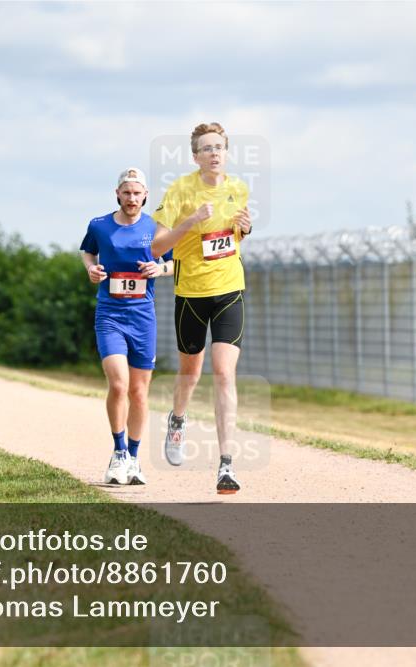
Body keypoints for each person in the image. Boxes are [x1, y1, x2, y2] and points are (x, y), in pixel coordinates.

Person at [150, 122, 253, 494]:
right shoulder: (180, 190)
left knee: (224, 373)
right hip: (191, 294)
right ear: (195, 156)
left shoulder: (238, 188)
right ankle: (178, 420)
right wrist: (191, 221)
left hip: (229, 289)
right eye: (206, 148)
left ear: (226, 153)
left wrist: (246, 228)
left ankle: (226, 464)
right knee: (190, 373)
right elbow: (157, 247)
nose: (214, 153)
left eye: (219, 147)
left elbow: (233, 237)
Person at [81, 167, 173, 486]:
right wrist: (91, 269)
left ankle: (133, 458)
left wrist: (159, 269)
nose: (132, 198)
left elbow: (174, 262)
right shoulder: (99, 225)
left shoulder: (156, 228)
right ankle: (118, 452)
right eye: (127, 192)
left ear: (145, 195)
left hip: (143, 317)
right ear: (117, 194)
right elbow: (87, 251)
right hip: (110, 315)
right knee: (119, 385)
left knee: (139, 391)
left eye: (137, 193)